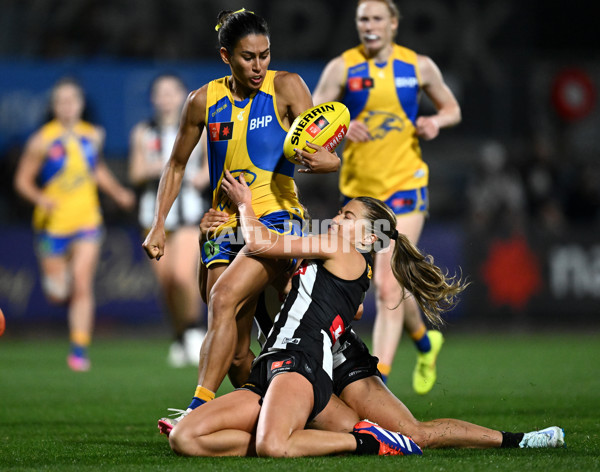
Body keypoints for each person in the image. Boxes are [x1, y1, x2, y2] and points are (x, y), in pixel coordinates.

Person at [167, 168, 465, 457]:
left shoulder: (294, 253)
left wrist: (246, 204)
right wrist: (208, 240)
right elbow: (213, 297)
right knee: (193, 434)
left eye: (346, 216)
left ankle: (361, 440)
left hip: (316, 362)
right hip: (282, 365)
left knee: (412, 432)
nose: (334, 220)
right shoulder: (264, 250)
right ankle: (331, 437)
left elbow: (349, 303)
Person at [142, 8, 341, 425]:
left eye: (264, 55)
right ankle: (284, 410)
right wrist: (159, 223)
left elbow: (322, 148)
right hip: (223, 225)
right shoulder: (201, 101)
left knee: (224, 298)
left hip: (276, 221)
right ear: (225, 56)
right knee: (235, 354)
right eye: (248, 57)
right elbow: (176, 165)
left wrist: (326, 163)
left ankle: (196, 412)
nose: (258, 65)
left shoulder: (287, 87)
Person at [312, 0, 462, 394]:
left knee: (387, 285)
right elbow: (309, 117)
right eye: (363, 18)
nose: (369, 25)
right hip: (361, 197)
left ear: (393, 23)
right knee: (393, 284)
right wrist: (340, 121)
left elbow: (452, 109)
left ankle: (379, 384)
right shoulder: (342, 67)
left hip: (405, 184)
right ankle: (426, 342)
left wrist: (434, 120)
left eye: (377, 18)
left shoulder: (418, 65)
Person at [14, 77, 135, 371]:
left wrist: (118, 192)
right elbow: (22, 181)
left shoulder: (93, 135)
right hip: (52, 225)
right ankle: (60, 280)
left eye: (72, 100)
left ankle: (79, 349)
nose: (67, 106)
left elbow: (96, 170)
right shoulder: (41, 140)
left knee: (82, 283)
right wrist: (41, 199)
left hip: (87, 220)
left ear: (80, 104)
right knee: (57, 292)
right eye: (61, 101)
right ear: (54, 106)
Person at [129, 73, 210, 367]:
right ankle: (179, 336)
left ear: (183, 96)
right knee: (165, 285)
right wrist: (165, 169)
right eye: (160, 93)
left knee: (181, 277)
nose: (166, 98)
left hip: (188, 214)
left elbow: (210, 166)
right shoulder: (143, 132)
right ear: (153, 98)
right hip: (154, 218)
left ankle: (193, 330)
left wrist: (201, 177)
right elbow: (136, 172)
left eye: (171, 92)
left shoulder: (196, 128)